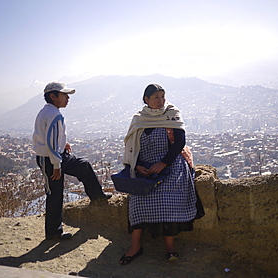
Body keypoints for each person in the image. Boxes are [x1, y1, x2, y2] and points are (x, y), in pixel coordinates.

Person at [119, 84, 204, 264]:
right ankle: (135, 246)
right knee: (137, 201)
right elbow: (133, 148)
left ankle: (170, 246)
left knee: (168, 200)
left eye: (163, 96)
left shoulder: (171, 114)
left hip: (171, 165)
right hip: (145, 168)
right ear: (146, 100)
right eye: (156, 97)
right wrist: (139, 165)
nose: (161, 101)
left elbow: (180, 142)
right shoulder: (139, 119)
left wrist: (163, 163)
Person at [33, 81, 109, 241]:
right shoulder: (53, 114)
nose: (68, 98)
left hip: (58, 155)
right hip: (50, 159)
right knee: (54, 193)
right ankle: (53, 232)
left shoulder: (50, 112)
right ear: (53, 96)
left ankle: (97, 195)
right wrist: (56, 165)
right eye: (64, 95)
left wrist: (63, 143)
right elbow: (50, 143)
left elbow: (52, 138)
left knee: (83, 166)